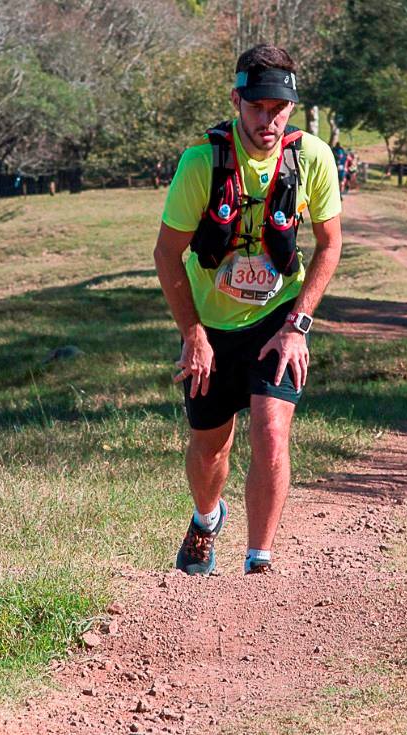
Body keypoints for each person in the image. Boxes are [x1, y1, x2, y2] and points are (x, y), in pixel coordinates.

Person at [153, 44, 343, 576]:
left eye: (278, 108)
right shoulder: (202, 162)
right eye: (257, 106)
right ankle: (207, 519)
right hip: (210, 327)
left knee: (270, 430)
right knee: (210, 447)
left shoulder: (312, 159)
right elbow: (167, 253)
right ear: (237, 100)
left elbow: (330, 244)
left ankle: (259, 562)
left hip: (276, 319)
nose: (268, 119)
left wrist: (297, 325)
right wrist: (192, 333)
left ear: (292, 106)